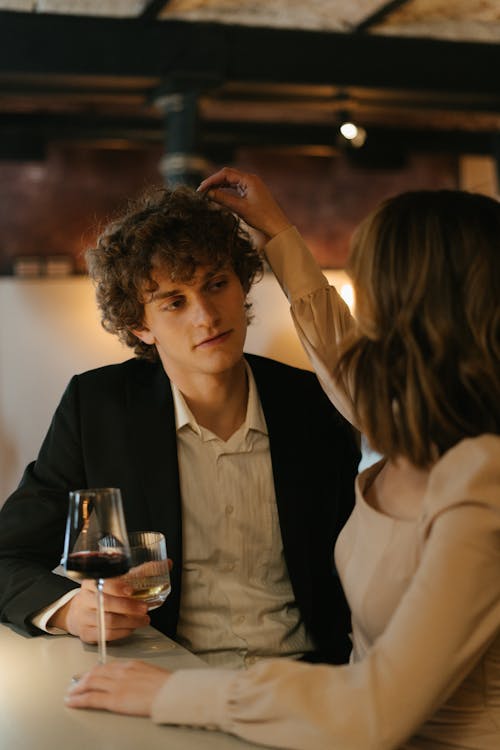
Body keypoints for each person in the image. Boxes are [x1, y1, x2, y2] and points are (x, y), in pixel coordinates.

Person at [66, 169, 500, 750]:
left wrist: (170, 695)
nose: (360, 313)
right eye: (175, 301)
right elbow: (341, 353)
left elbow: (377, 707)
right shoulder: (415, 428)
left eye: (370, 291)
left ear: (420, 314)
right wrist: (278, 231)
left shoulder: (481, 473)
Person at [0, 185, 359, 669]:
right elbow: (7, 556)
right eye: (174, 301)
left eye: (216, 284)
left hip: (311, 683)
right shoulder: (98, 407)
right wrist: (70, 610)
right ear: (139, 326)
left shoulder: (316, 402)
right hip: (168, 679)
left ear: (242, 284)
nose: (206, 316)